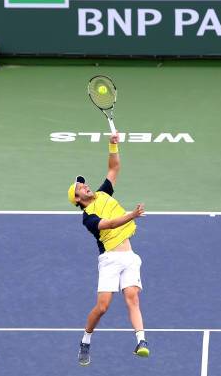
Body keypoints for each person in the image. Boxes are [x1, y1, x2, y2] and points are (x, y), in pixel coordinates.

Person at [67, 133, 149, 366]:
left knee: (132, 298)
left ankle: (141, 341)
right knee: (102, 307)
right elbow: (110, 224)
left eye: (83, 183)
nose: (85, 185)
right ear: (77, 199)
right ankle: (85, 340)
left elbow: (114, 168)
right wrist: (131, 215)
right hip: (110, 260)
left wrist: (113, 143)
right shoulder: (88, 218)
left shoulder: (103, 193)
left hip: (130, 257)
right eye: (80, 187)